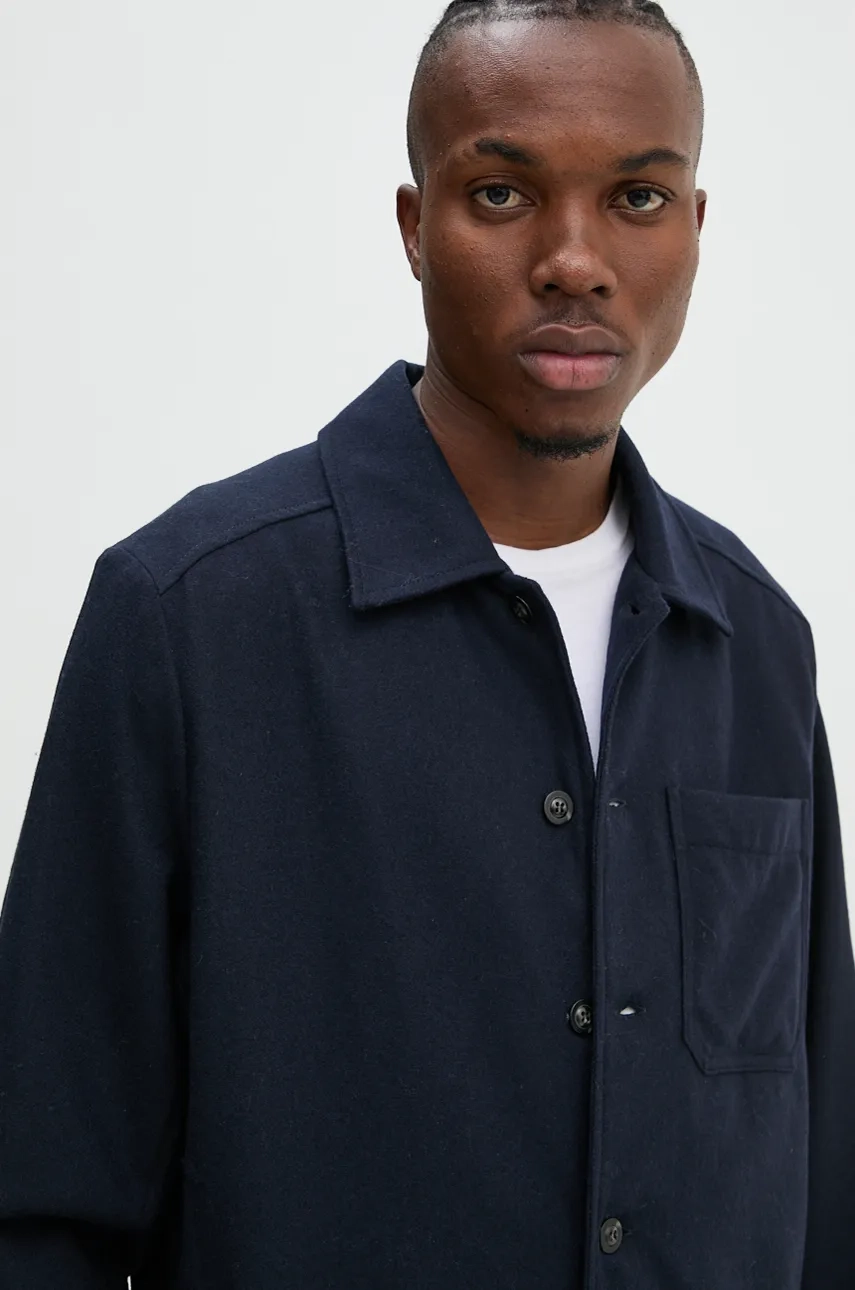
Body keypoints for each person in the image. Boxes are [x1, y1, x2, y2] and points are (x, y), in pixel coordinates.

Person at [1, 0, 852, 1285]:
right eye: (503, 194)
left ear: (694, 226)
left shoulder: (758, 642)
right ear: (415, 226)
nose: (575, 261)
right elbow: (42, 1198)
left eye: (636, 198)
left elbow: (818, 1172)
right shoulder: (184, 616)